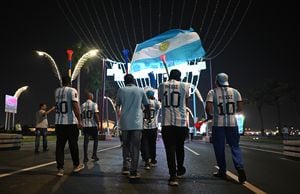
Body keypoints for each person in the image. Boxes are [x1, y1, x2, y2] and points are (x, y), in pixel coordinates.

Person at [205, 72, 247, 184]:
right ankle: (240, 168)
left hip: (218, 124)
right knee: (235, 146)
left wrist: (211, 115)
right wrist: (231, 113)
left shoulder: (212, 92)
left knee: (219, 148)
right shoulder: (235, 92)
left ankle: (222, 171)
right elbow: (240, 107)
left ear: (217, 81)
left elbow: (208, 107)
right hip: (232, 124)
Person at [158, 69, 190, 186]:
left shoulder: (162, 86)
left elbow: (161, 99)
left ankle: (172, 176)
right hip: (180, 122)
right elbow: (186, 102)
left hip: (166, 123)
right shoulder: (185, 86)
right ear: (179, 77)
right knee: (180, 147)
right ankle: (180, 169)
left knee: (169, 149)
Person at [116, 74, 150, 180]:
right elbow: (147, 105)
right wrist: (145, 116)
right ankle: (133, 171)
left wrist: (120, 114)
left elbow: (118, 104)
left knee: (125, 145)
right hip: (137, 123)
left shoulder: (121, 90)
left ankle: (125, 166)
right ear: (134, 80)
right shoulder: (140, 90)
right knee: (135, 147)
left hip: (125, 122)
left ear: (125, 81)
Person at [54, 76, 84, 177]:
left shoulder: (57, 91)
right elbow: (75, 106)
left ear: (62, 81)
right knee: (73, 145)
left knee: (60, 146)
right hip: (70, 123)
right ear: (70, 82)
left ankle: (60, 169)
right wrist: (80, 121)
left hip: (59, 123)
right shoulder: (72, 90)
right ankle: (76, 165)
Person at [141, 89, 161, 170]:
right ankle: (153, 159)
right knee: (153, 143)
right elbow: (160, 105)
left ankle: (146, 161)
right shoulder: (155, 103)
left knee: (144, 143)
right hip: (153, 126)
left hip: (144, 126)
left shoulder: (142, 103)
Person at [81, 92, 101, 162]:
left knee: (86, 141)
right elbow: (96, 114)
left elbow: (81, 115)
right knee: (96, 139)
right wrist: (99, 123)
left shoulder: (82, 105)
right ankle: (94, 154)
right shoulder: (94, 104)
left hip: (85, 125)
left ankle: (85, 157)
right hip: (92, 125)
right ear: (91, 97)